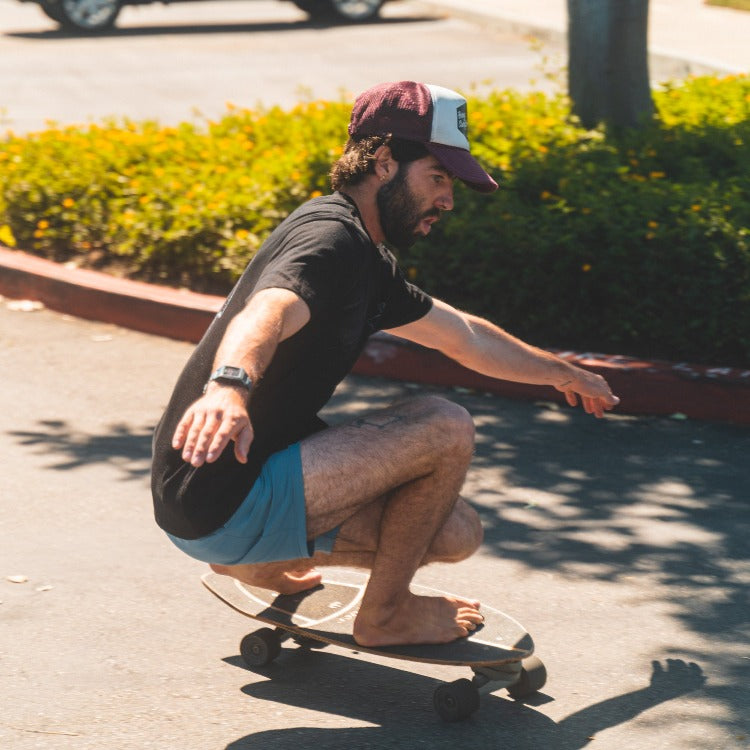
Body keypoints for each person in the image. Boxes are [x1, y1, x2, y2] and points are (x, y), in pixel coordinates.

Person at [151, 81, 619, 648]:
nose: (448, 200)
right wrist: (229, 386)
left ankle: (254, 563)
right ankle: (387, 615)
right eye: (438, 178)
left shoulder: (364, 257)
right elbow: (269, 308)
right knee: (445, 426)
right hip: (225, 492)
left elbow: (464, 335)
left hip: (206, 502)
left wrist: (562, 373)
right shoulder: (330, 243)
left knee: (454, 531)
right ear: (384, 162)